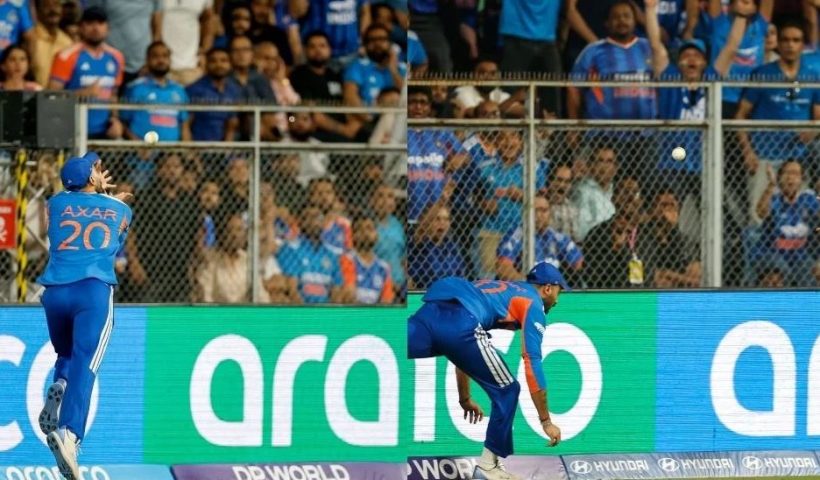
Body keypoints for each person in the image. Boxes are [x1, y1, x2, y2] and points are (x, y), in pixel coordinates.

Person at [407, 261, 565, 480]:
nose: (557, 300)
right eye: (559, 291)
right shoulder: (534, 303)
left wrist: (464, 398)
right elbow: (532, 361)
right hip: (463, 320)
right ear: (548, 288)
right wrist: (545, 421)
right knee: (508, 390)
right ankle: (488, 466)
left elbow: (462, 351)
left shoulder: (508, 288)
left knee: (394, 344)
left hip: (436, 306)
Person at [36, 152, 133, 480]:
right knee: (86, 363)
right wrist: (107, 196)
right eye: (95, 168)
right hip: (91, 291)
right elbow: (117, 237)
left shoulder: (54, 204)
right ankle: (69, 434)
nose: (99, 169)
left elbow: (71, 205)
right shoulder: (120, 208)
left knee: (65, 354)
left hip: (54, 294)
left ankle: (60, 383)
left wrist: (92, 190)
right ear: (92, 178)